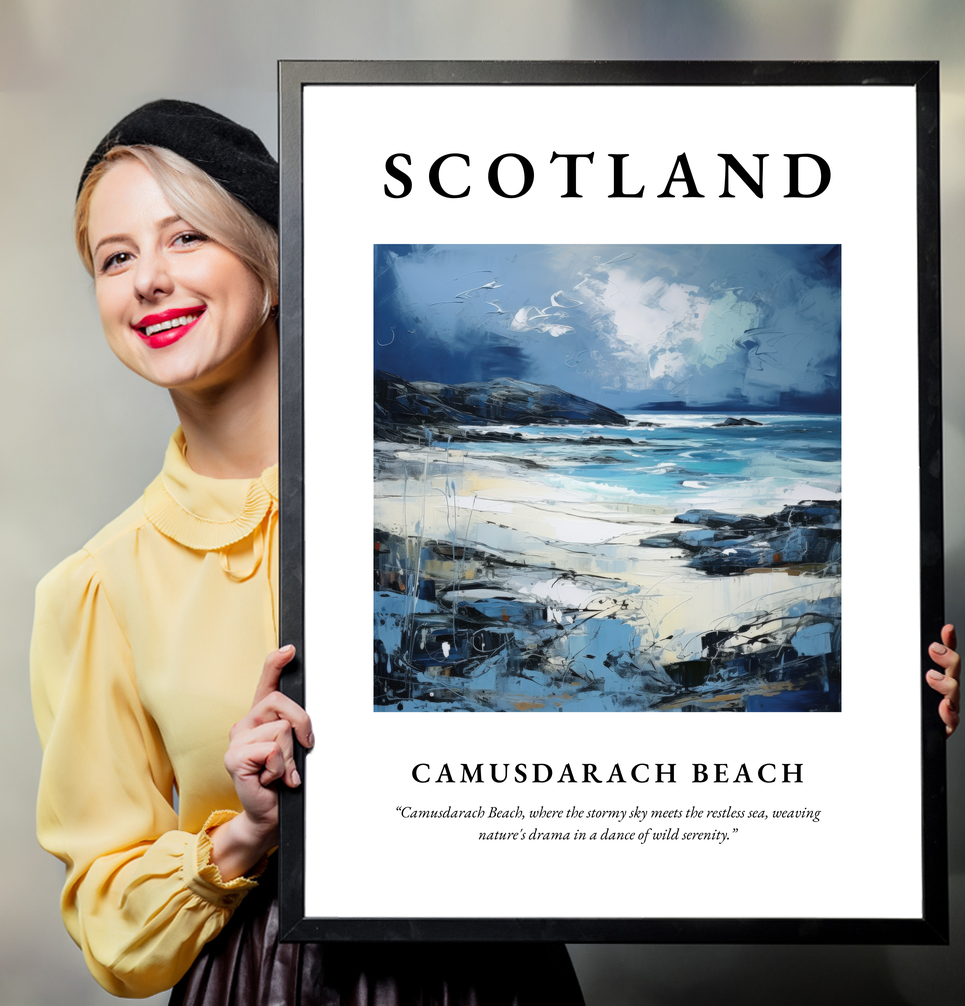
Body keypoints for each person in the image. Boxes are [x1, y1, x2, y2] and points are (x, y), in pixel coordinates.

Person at [30, 100, 585, 1004]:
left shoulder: (460, 496)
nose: (148, 281)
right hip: (263, 981)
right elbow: (110, 924)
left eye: (186, 239)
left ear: (273, 264)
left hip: (493, 972)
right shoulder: (98, 587)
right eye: (116, 257)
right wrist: (245, 832)